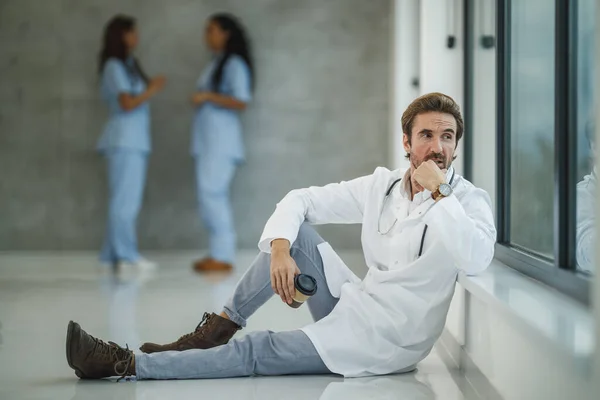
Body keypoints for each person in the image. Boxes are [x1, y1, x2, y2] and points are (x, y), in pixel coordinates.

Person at [65, 93, 496, 381]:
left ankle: (126, 363)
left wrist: (440, 192)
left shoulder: (468, 201)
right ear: (406, 141)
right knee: (296, 235)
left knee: (258, 351)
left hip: (385, 341)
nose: (437, 147)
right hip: (357, 303)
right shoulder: (382, 186)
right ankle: (219, 327)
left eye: (447, 137)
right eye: (426, 136)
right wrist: (279, 250)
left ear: (455, 146)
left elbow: (476, 258)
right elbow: (301, 199)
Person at [97, 15, 166, 270]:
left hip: (133, 141)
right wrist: (153, 89)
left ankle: (110, 257)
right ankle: (126, 257)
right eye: (132, 32)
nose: (136, 37)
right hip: (124, 141)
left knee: (123, 200)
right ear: (121, 35)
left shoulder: (127, 64)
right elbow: (127, 103)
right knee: (125, 202)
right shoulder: (114, 66)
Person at [190, 14, 254, 273]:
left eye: (212, 30)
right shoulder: (218, 63)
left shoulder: (235, 64)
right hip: (208, 142)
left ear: (226, 33)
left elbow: (241, 100)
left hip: (220, 143)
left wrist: (207, 96)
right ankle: (218, 252)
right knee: (209, 195)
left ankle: (224, 255)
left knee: (213, 195)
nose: (207, 35)